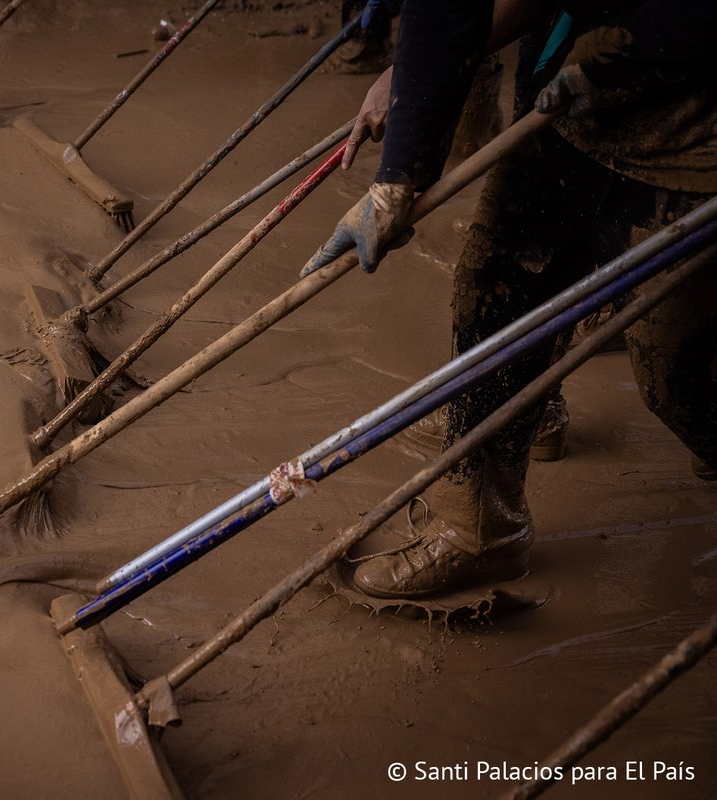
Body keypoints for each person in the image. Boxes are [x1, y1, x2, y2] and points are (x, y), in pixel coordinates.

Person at [306, 0, 717, 599]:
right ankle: (477, 525)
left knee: (677, 374)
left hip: (694, 132)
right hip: (567, 97)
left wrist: (635, 51)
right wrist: (397, 176)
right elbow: (447, 11)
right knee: (496, 292)